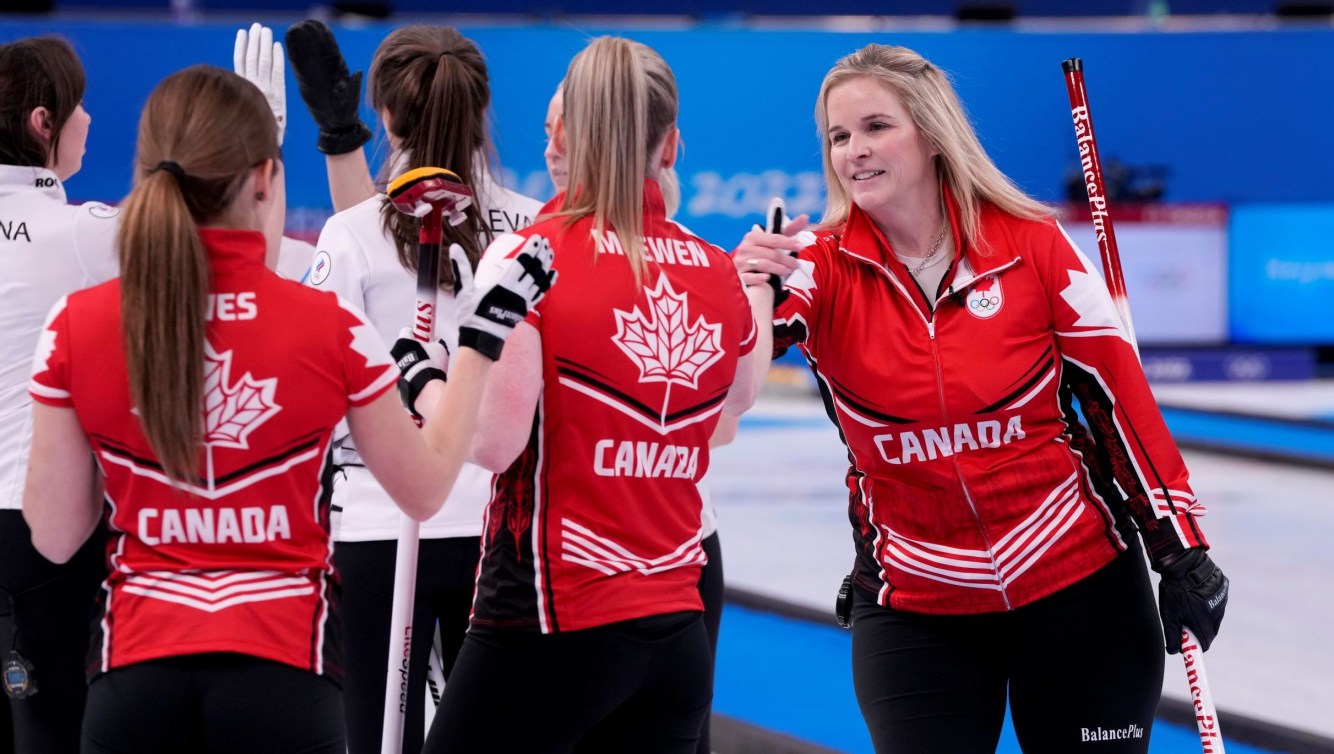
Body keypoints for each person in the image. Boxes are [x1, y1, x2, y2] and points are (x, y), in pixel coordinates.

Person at [22, 64, 553, 754]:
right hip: (284, 683)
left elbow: (57, 536)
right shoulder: (327, 326)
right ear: (265, 180)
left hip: (134, 681)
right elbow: (424, 489)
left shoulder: (77, 324)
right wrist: (479, 343)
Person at [733, 43, 1229, 753]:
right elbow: (733, 379)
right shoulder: (815, 264)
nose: (853, 151)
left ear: (933, 134)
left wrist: (1181, 550)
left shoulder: (1033, 245)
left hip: (1078, 585)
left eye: (876, 127)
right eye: (838, 136)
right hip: (917, 602)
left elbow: (1119, 402)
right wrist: (750, 289)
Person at [418, 35, 767, 753]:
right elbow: (734, 406)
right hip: (677, 631)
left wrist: (423, 380)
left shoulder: (528, 255)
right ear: (670, 147)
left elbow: (492, 442)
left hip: (549, 621)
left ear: (566, 134)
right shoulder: (715, 269)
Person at [291, 23, 543, 754]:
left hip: (377, 517)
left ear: (388, 116)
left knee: (374, 736)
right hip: (497, 535)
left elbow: (320, 388)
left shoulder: (350, 232)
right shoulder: (532, 224)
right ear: (481, 108)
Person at [0, 35, 117, 754]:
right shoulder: (83, 231)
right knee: (53, 734)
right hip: (40, 529)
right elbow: (232, 256)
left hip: (32, 523)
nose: (90, 121)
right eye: (79, 106)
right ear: (44, 123)